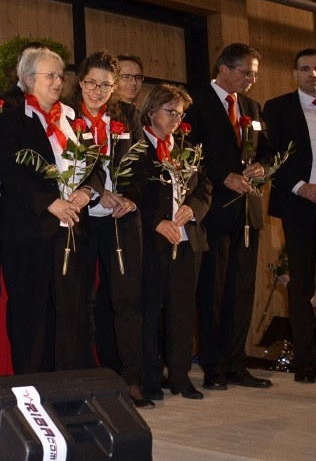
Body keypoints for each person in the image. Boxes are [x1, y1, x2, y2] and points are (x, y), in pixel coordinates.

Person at [0, 48, 102, 376]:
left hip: (71, 228)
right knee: (31, 309)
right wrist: (50, 203)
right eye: (50, 76)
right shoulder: (10, 119)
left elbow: (94, 163)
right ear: (28, 80)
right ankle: (32, 381)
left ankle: (66, 378)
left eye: (60, 75)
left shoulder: (73, 119)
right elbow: (11, 173)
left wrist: (86, 191)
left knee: (70, 309)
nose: (58, 81)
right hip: (29, 229)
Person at [61, 52, 150, 408]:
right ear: (79, 81)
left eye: (106, 85)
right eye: (91, 83)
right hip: (81, 215)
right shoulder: (66, 114)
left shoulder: (126, 115)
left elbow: (144, 162)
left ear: (115, 88)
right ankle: (85, 377)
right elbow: (71, 163)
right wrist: (100, 190)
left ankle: (131, 378)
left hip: (121, 217)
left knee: (127, 298)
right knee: (82, 299)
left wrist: (130, 197)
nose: (97, 91)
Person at [184, 43, 272, 390]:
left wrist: (263, 166)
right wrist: (223, 176)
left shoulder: (252, 107)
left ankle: (236, 363)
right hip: (213, 210)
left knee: (240, 291)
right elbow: (189, 154)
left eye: (254, 74)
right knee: (213, 291)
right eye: (246, 72)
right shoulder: (196, 102)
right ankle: (213, 366)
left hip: (248, 211)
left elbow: (265, 149)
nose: (251, 79)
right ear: (223, 68)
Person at [133, 84, 211, 400]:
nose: (177, 119)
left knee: (182, 312)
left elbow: (205, 187)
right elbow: (131, 193)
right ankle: (151, 380)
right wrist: (156, 221)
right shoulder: (136, 148)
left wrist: (194, 208)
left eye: (180, 113)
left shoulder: (188, 148)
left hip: (187, 241)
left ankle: (180, 376)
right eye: (171, 112)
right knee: (149, 312)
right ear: (151, 111)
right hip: (152, 243)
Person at [261, 48, 316, 383]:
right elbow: (270, 158)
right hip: (299, 205)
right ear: (294, 74)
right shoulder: (278, 108)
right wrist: (300, 187)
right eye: (306, 69)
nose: (313, 74)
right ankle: (306, 362)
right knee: (301, 285)